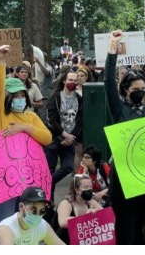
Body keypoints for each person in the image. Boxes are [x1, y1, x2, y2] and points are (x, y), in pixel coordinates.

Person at [0, 45, 52, 239]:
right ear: (7, 98)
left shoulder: (31, 117)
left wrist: (25, 128)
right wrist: (1, 61)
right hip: (4, 180)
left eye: (22, 95)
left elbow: (47, 138)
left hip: (27, 179)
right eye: (15, 96)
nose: (20, 99)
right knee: (2, 225)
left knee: (24, 224)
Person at [103, 30, 145, 245]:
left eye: (143, 89)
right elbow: (108, 81)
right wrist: (112, 48)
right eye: (136, 89)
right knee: (126, 227)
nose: (140, 92)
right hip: (125, 177)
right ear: (126, 89)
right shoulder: (119, 110)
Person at [45, 69, 83, 197]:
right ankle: (49, 199)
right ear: (64, 81)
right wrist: (64, 135)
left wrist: (72, 136)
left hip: (70, 140)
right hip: (55, 139)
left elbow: (80, 120)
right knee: (50, 169)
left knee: (68, 167)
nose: (73, 82)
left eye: (75, 80)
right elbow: (51, 120)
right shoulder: (55, 98)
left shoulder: (79, 99)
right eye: (70, 80)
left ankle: (48, 182)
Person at [0, 186, 64, 245]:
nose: (37, 215)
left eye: (42, 211)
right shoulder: (6, 228)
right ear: (21, 207)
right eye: (34, 210)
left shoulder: (42, 225)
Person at [55, 174, 102, 244]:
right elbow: (63, 222)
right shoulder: (66, 203)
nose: (89, 189)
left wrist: (96, 213)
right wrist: (87, 217)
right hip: (63, 241)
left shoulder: (90, 201)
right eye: (86, 187)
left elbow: (106, 215)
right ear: (77, 190)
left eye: (90, 187)